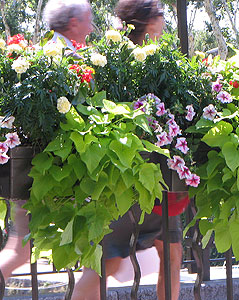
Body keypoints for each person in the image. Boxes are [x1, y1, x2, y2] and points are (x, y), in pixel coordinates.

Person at [72, 2, 183, 300]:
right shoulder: (121, 62)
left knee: (172, 256)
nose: (163, 20)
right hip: (129, 178)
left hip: (157, 177)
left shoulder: (158, 59)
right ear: (145, 22)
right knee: (106, 263)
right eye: (159, 14)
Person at [0, 0, 94, 284]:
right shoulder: (61, 56)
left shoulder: (55, 50)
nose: (91, 28)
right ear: (73, 23)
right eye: (88, 21)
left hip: (36, 167)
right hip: (47, 168)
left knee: (19, 247)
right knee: (20, 247)